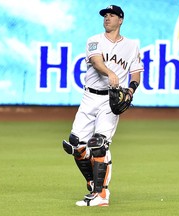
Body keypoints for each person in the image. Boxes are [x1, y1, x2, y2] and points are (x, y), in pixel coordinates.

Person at [62, 5, 144, 207]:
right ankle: (92, 182)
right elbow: (97, 62)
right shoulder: (94, 40)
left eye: (112, 15)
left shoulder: (132, 45)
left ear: (121, 20)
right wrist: (110, 73)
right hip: (89, 97)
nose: (107, 18)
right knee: (76, 145)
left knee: (99, 144)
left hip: (110, 99)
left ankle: (101, 195)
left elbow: (136, 73)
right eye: (105, 15)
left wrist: (131, 91)